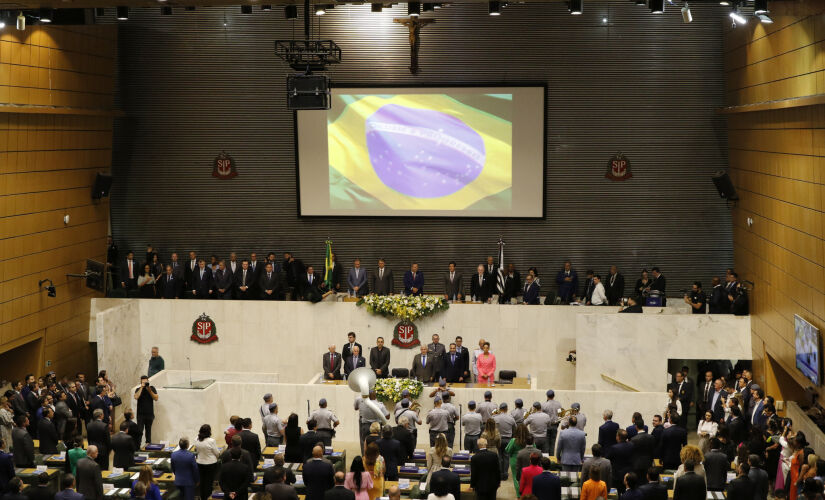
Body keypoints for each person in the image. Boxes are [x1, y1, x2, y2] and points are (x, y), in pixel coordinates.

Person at [194, 424, 221, 500]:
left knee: (202, 482)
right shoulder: (211, 441)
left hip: (200, 463)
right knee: (209, 482)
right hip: (210, 464)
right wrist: (218, 455)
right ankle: (208, 497)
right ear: (209, 431)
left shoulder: (196, 439)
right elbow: (217, 453)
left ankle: (202, 497)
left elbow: (196, 450)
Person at [607, 430, 635, 494]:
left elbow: (608, 458)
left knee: (617, 493)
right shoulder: (632, 445)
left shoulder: (614, 448)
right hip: (629, 474)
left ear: (618, 437)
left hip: (617, 475)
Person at [133, 375, 157, 445]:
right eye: (143, 382)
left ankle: (148, 445)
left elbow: (156, 398)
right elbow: (136, 397)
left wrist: (149, 390)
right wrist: (142, 387)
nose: (145, 383)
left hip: (149, 414)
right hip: (140, 415)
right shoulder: (138, 389)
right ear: (141, 382)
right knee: (139, 431)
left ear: (148, 381)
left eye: (146, 381)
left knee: (148, 431)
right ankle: (138, 446)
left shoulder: (152, 388)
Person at [505, 424, 530, 490]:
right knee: (526, 477)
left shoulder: (513, 440)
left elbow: (508, 450)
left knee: (516, 478)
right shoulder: (529, 440)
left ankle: (519, 494)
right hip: (527, 460)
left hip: (515, 460)